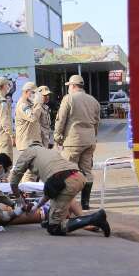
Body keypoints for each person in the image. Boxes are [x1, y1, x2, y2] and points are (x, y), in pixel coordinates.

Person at [9, 143, 110, 237]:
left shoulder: (27, 153)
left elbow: (13, 182)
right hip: (78, 177)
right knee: (50, 219)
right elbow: (51, 191)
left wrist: (19, 200)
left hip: (66, 182)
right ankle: (80, 220)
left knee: (54, 228)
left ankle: (95, 218)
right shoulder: (50, 154)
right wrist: (36, 207)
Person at [54, 74, 101, 210]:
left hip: (73, 141)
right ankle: (85, 203)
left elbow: (60, 120)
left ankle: (70, 203)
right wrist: (93, 137)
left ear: (73, 86)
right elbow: (97, 122)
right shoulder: (93, 100)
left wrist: (57, 137)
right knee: (87, 171)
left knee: (69, 172)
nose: (68, 88)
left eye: (69, 86)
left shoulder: (68, 99)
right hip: (89, 141)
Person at [14, 82, 42, 182]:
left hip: (31, 142)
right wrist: (38, 104)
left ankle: (28, 191)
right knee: (29, 172)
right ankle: (27, 192)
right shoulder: (23, 105)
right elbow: (33, 117)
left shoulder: (29, 104)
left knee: (32, 171)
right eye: (33, 92)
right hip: (27, 143)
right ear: (26, 92)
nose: (35, 95)